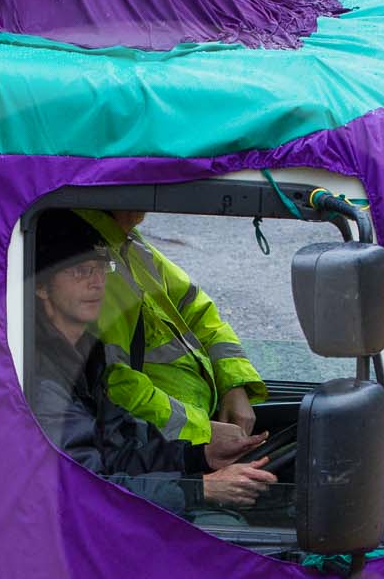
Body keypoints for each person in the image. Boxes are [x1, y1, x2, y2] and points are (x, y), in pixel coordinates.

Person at [26, 210, 275, 516]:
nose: (97, 282)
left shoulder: (86, 356)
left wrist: (199, 456)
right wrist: (200, 488)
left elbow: (118, 450)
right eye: (79, 271)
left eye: (101, 268)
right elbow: (86, 491)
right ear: (41, 285)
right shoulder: (44, 383)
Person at [77, 208, 266, 444]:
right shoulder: (90, 261)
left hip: (197, 429)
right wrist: (203, 433)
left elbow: (197, 310)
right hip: (157, 446)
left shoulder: (127, 242)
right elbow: (115, 388)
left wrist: (234, 386)